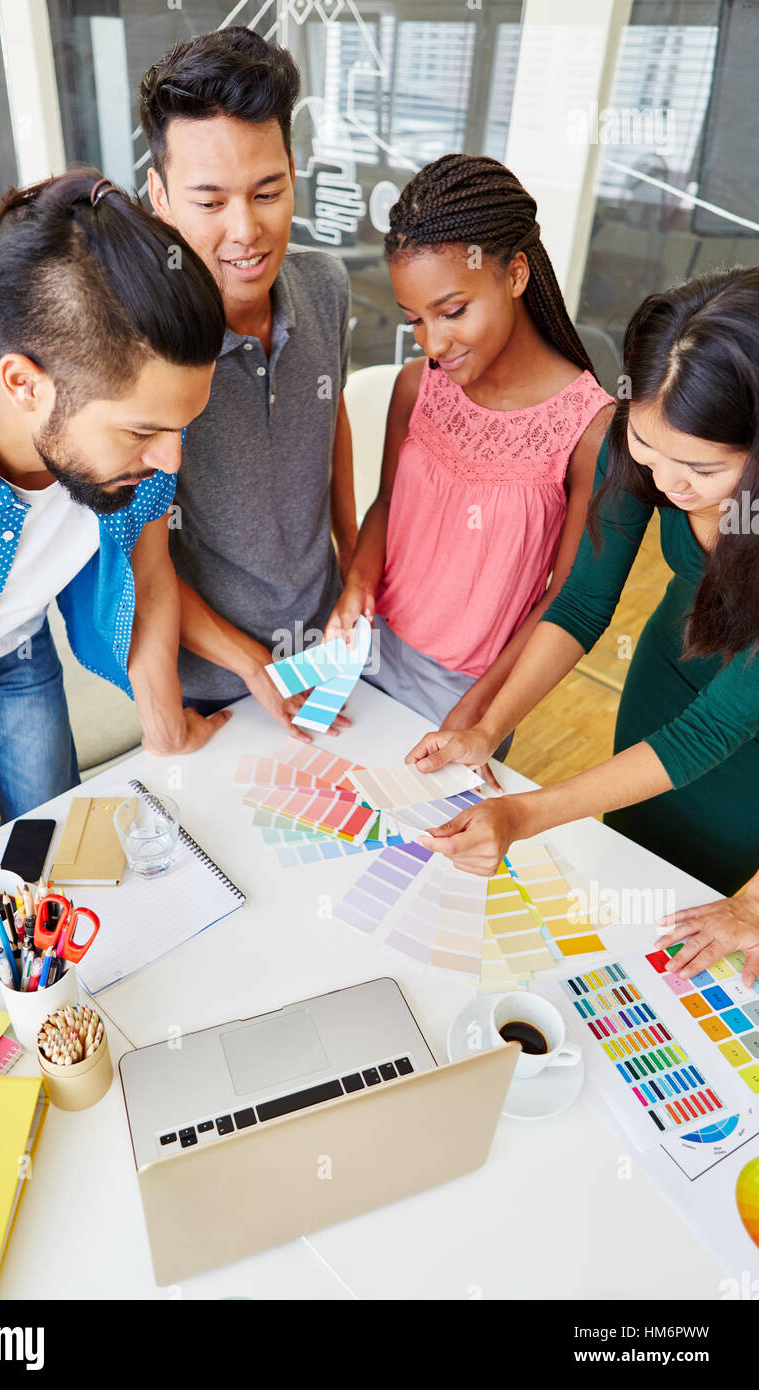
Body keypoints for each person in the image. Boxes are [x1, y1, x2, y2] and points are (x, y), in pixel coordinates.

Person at [0, 168, 227, 877]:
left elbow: (148, 562)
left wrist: (164, 727)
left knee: (60, 847)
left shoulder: (153, 433)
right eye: (142, 434)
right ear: (24, 382)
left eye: (178, 430)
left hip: (15, 652)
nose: (169, 462)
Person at [406, 268, 759, 905]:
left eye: (703, 468)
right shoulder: (636, 442)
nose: (670, 484)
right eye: (649, 447)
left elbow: (710, 733)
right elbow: (582, 600)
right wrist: (490, 726)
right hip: (670, 677)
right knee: (630, 876)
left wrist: (523, 815)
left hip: (744, 762)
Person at [326, 155, 612, 737]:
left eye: (452, 311)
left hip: (467, 692)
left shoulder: (589, 431)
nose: (433, 343)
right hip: (362, 655)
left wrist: (479, 712)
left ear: (515, 275)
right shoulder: (416, 387)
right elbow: (386, 506)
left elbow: (564, 599)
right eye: (414, 320)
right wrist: (357, 580)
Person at [140, 26, 357, 742]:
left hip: (326, 660)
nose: (246, 231)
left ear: (293, 170)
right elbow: (138, 554)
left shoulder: (325, 285)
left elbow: (333, 422)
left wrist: (354, 565)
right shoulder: (137, 345)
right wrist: (250, 664)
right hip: (211, 688)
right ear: (160, 195)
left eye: (268, 191)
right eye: (210, 202)